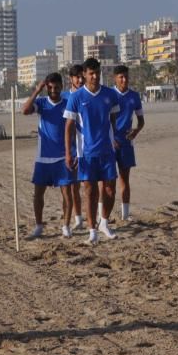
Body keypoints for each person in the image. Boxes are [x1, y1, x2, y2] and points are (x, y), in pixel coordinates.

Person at [64, 58, 121, 244]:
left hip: (107, 151)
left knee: (110, 189)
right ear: (84, 75)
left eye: (97, 72)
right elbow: (69, 127)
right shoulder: (76, 97)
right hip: (85, 153)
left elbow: (113, 119)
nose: (95, 76)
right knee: (90, 192)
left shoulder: (109, 94)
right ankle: (91, 230)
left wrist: (115, 139)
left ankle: (104, 223)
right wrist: (68, 152)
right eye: (91, 73)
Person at [22, 73, 74, 239]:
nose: (53, 90)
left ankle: (66, 225)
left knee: (67, 194)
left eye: (56, 87)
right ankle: (38, 225)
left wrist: (72, 153)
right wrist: (37, 90)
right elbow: (24, 110)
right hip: (43, 157)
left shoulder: (68, 104)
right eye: (50, 87)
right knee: (38, 194)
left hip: (62, 157)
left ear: (61, 86)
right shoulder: (42, 103)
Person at [111, 65, 145, 221]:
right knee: (108, 182)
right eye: (121, 77)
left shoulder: (134, 96)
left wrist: (136, 130)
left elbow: (141, 120)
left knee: (125, 179)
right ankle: (103, 216)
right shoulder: (109, 95)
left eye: (126, 76)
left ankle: (125, 215)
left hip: (126, 143)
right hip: (110, 143)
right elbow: (103, 120)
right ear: (115, 79)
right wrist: (110, 139)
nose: (124, 80)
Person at [65, 64, 85, 229]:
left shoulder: (87, 95)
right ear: (70, 79)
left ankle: (98, 218)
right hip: (69, 148)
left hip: (86, 146)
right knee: (72, 187)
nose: (80, 79)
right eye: (76, 77)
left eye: (81, 76)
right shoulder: (65, 97)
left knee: (90, 184)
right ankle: (77, 219)